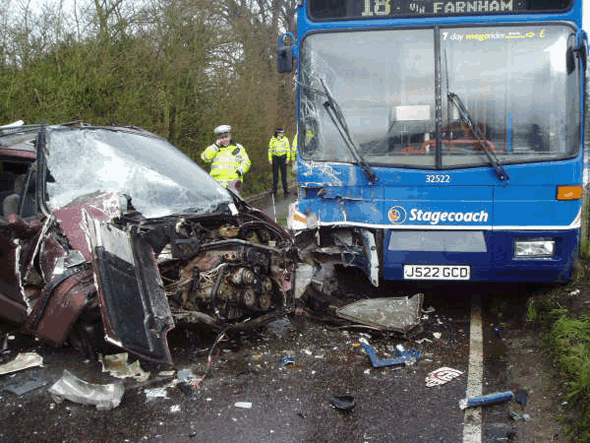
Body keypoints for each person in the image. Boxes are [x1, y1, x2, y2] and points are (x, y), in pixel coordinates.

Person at [201, 125, 251, 189]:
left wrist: (239, 171)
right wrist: (215, 146)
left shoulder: (238, 148)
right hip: (216, 185)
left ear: (230, 136)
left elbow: (246, 161)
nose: (224, 139)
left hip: (234, 184)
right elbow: (205, 158)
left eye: (226, 137)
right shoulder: (213, 148)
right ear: (218, 138)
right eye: (222, 137)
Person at [268, 127, 291, 196]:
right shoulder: (272, 140)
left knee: (284, 175)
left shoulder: (285, 140)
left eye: (283, 133)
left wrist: (287, 159)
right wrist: (270, 159)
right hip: (275, 158)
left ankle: (285, 189)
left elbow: (288, 150)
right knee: (275, 175)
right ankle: (274, 190)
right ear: (278, 133)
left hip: (283, 158)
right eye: (281, 133)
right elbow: (270, 150)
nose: (283, 134)